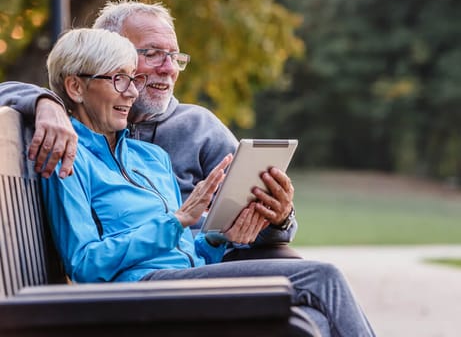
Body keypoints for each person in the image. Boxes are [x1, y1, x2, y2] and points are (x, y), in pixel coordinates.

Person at [41, 27, 376, 337]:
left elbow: (184, 251)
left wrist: (217, 240)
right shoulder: (69, 157)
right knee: (322, 277)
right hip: (137, 296)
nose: (131, 91)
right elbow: (85, 264)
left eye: (133, 78)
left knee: (311, 321)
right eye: (118, 79)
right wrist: (176, 222)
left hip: (181, 287)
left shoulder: (151, 159)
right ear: (75, 87)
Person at [0, 0, 300, 261]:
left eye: (174, 57)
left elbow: (249, 228)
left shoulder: (196, 128)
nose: (168, 68)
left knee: (302, 277)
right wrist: (45, 101)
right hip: (154, 284)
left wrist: (280, 218)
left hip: (206, 263)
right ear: (108, 51)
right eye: (153, 53)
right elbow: (87, 260)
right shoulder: (75, 131)